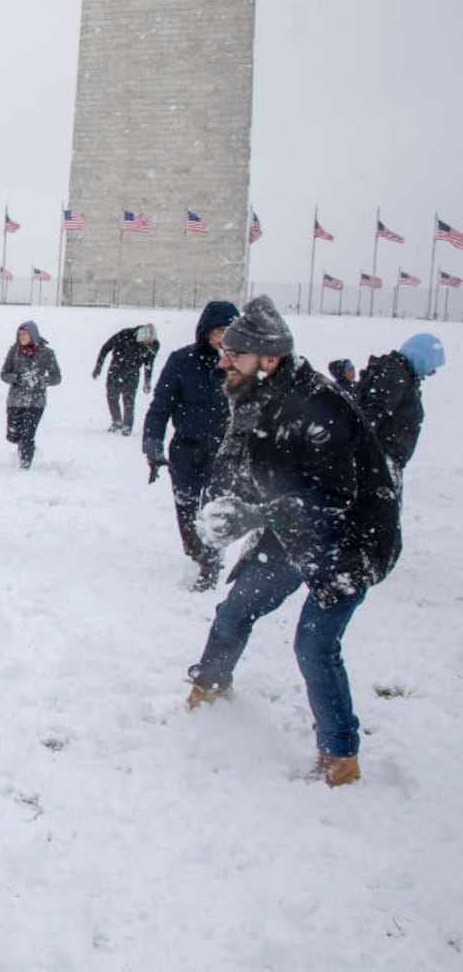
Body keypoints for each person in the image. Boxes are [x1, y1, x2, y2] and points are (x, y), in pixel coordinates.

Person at [184, 296, 400, 788]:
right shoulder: (252, 393)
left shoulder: (320, 408)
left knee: (314, 645)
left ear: (270, 359)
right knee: (236, 608)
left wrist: (253, 514)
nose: (223, 361)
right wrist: (221, 506)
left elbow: (331, 501)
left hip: (349, 541)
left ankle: (339, 756)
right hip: (288, 529)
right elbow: (236, 459)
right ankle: (209, 691)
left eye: (234, 354)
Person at [142, 300, 241, 591]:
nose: (223, 338)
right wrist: (152, 443)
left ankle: (210, 563)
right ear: (206, 331)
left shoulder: (242, 365)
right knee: (185, 504)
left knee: (216, 507)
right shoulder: (182, 360)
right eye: (218, 331)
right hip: (185, 447)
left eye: (229, 331)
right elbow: (161, 405)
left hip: (223, 451)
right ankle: (196, 550)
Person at [356, 332, 445, 475]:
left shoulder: (401, 375)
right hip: (380, 462)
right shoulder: (395, 376)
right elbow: (371, 413)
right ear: (422, 358)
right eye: (432, 366)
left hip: (382, 459)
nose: (432, 372)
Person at [0, 321, 62, 469]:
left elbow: (57, 377)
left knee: (27, 434)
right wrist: (17, 378)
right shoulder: (14, 351)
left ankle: (25, 462)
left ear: (33, 335)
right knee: (13, 435)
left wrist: (41, 380)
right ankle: (22, 448)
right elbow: (3, 374)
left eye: (24, 334)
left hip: (36, 402)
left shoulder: (47, 353)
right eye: (19, 334)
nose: (21, 337)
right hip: (15, 401)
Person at [93, 322, 159, 434]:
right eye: (145, 341)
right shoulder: (125, 334)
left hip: (133, 373)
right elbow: (106, 347)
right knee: (112, 397)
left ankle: (127, 426)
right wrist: (98, 366)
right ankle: (116, 421)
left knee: (129, 401)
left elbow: (149, 364)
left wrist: (147, 381)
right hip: (116, 369)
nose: (147, 344)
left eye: (149, 342)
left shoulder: (153, 345)